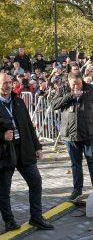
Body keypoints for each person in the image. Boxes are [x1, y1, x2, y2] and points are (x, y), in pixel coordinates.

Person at [0, 73, 53, 231]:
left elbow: (29, 125)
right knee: (4, 190)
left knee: (35, 181)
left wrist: (38, 146)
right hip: (4, 152)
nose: (8, 85)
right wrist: (2, 136)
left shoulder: (18, 101)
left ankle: (36, 218)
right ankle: (9, 221)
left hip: (24, 149)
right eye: (4, 83)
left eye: (10, 82)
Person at [49, 72, 93, 200]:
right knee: (76, 164)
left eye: (79, 84)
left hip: (89, 132)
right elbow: (54, 105)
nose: (77, 87)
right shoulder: (63, 90)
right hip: (70, 133)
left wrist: (92, 121)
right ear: (68, 82)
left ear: (82, 81)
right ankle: (77, 189)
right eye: (74, 85)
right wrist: (70, 96)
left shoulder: (91, 89)